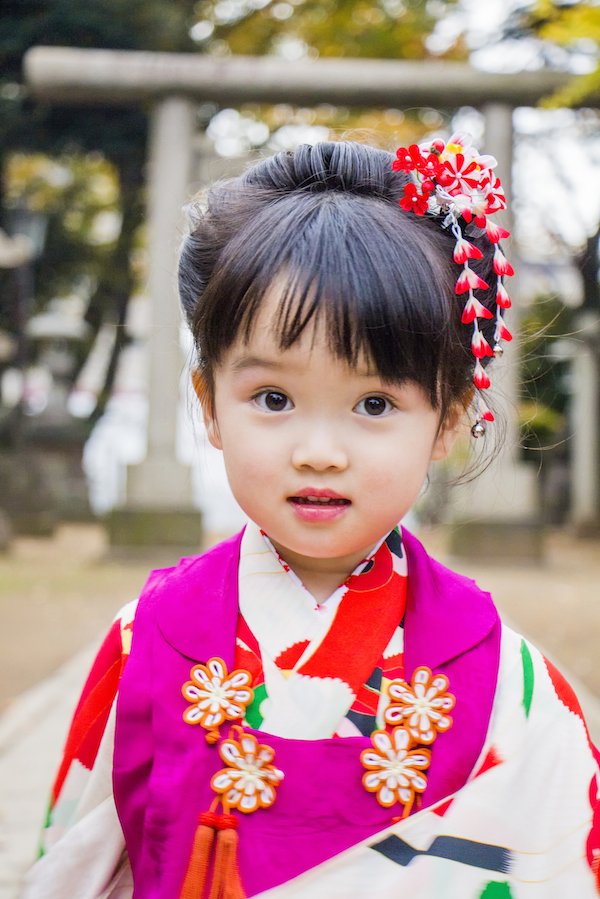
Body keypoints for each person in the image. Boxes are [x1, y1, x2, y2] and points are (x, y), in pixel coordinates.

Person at [23, 136, 600, 898]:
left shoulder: (508, 681)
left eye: (374, 404)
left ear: (449, 418)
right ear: (210, 405)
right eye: (274, 398)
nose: (319, 452)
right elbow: (74, 867)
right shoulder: (147, 639)